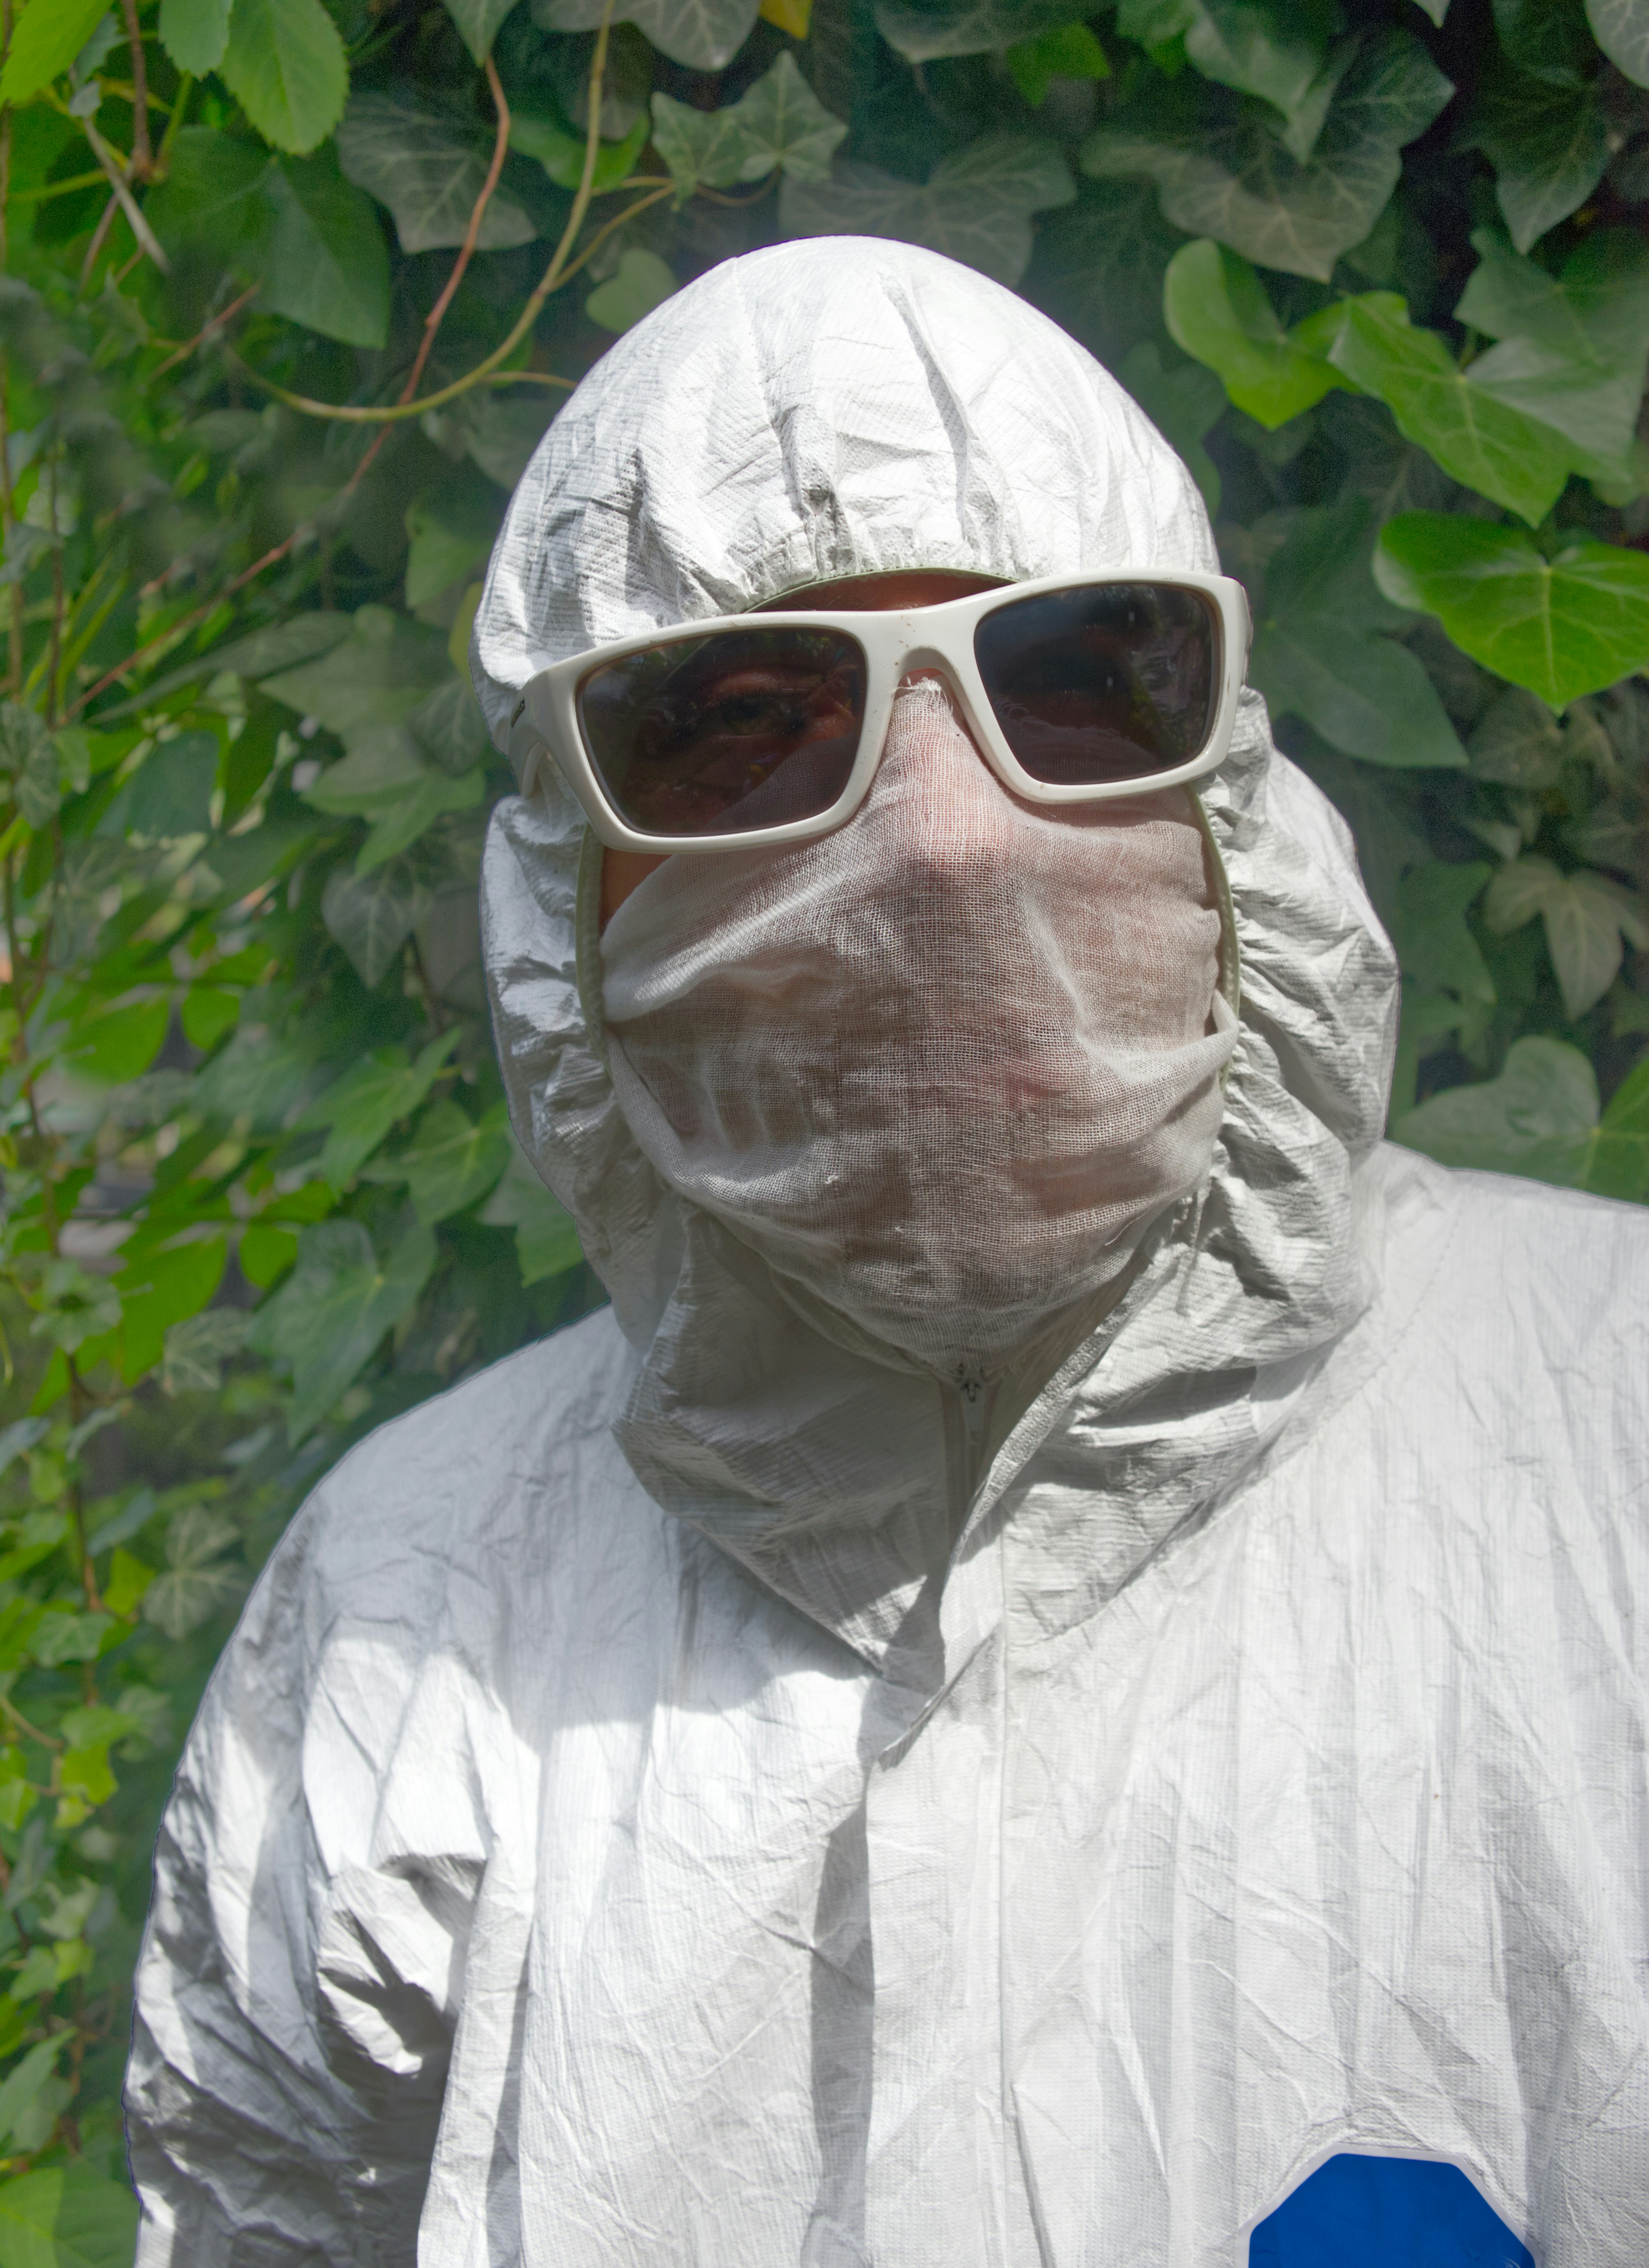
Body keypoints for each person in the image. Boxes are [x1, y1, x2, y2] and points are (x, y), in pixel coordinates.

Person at [124, 240, 1649, 2267]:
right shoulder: (408, 1618)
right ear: (566, 885)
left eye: (1071, 678)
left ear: (1234, 784)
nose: (943, 840)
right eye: (745, 720)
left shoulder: (1609, 1437)